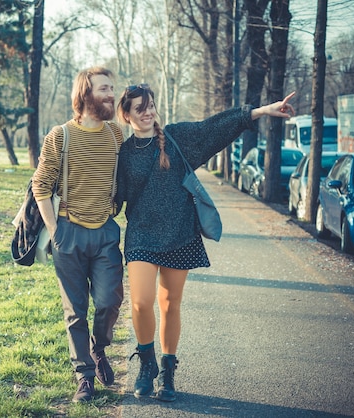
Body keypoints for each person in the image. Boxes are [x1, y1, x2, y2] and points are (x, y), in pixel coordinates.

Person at [115, 84, 295, 402]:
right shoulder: (124, 152)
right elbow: (113, 194)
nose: (147, 112)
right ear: (126, 114)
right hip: (141, 233)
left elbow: (215, 128)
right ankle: (147, 365)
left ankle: (167, 372)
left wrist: (261, 111)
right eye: (139, 107)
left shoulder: (176, 137)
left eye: (151, 105)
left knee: (170, 304)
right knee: (141, 302)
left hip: (180, 232)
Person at [31, 67, 125, 403]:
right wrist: (55, 232)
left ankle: (99, 349)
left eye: (112, 88)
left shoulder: (116, 135)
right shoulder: (61, 136)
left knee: (109, 301)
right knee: (75, 312)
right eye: (104, 88)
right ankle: (84, 375)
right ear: (86, 93)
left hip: (105, 233)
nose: (111, 94)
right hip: (68, 232)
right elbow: (40, 186)